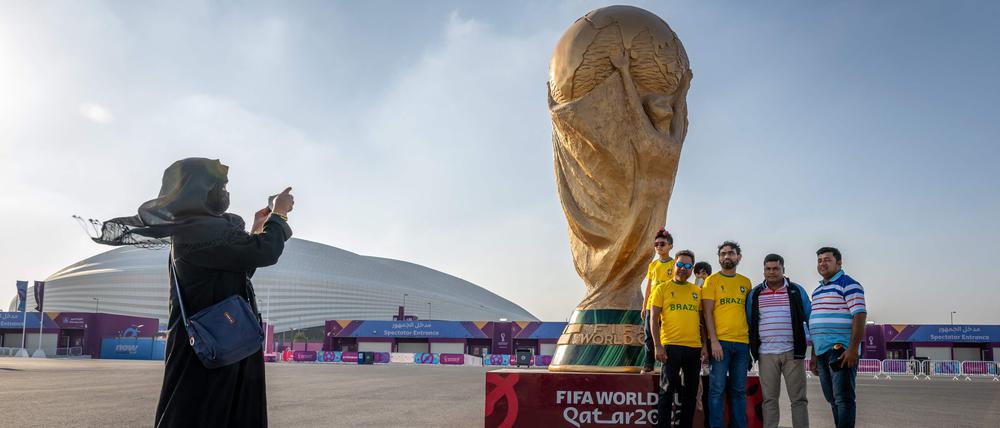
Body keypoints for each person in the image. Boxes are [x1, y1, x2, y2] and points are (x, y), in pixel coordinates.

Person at [92, 158, 295, 428]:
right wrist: (279, 215)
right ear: (200, 190)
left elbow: (238, 272)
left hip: (221, 343)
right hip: (213, 347)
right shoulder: (201, 231)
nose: (225, 193)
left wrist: (258, 227)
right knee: (204, 413)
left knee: (208, 411)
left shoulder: (194, 230)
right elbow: (265, 252)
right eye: (220, 186)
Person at [747, 254, 811, 428]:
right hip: (766, 354)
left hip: (792, 352)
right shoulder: (755, 293)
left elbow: (809, 318)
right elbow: (750, 323)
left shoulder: (796, 291)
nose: (772, 272)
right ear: (764, 270)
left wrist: (816, 351)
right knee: (769, 399)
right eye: (768, 269)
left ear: (783, 269)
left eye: (776, 268)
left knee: (798, 399)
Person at [809, 247, 867, 428]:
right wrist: (813, 355)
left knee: (843, 398)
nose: (822, 263)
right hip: (821, 351)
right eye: (819, 260)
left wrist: (852, 349)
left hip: (840, 350)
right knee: (832, 398)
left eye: (827, 259)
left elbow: (859, 316)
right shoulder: (817, 291)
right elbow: (816, 324)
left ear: (839, 263)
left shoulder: (849, 284)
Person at [650, 250, 706, 428]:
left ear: (692, 269)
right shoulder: (662, 288)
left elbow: (702, 322)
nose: (683, 268)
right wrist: (658, 346)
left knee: (690, 394)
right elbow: (653, 319)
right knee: (666, 391)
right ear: (674, 265)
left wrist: (704, 346)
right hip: (670, 348)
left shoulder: (697, 291)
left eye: (688, 266)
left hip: (693, 348)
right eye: (680, 264)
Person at [701, 241, 752, 428]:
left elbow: (748, 313)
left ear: (738, 257)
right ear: (719, 257)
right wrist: (713, 341)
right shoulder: (711, 281)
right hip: (719, 343)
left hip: (742, 344)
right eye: (723, 254)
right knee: (717, 390)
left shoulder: (745, 282)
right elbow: (707, 313)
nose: (727, 257)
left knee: (739, 391)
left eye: (731, 253)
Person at [641, 228, 674, 373]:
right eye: (656, 244)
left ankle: (666, 363)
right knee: (649, 335)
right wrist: (644, 306)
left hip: (667, 305)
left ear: (670, 246)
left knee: (666, 334)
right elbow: (648, 287)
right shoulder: (653, 265)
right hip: (651, 305)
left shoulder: (674, 264)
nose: (659, 247)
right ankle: (649, 363)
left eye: (662, 244)